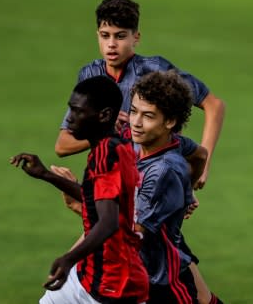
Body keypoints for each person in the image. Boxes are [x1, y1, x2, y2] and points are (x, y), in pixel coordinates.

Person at [54, 0, 226, 191]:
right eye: (105, 35)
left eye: (120, 36)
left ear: (136, 37)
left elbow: (214, 105)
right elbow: (63, 145)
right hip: (113, 182)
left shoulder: (155, 69)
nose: (111, 44)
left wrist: (203, 167)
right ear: (97, 35)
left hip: (155, 180)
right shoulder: (89, 75)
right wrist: (106, 131)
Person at [10, 76, 149, 304]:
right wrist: (46, 174)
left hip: (113, 287)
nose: (70, 118)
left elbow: (109, 221)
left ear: (104, 115)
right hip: (89, 276)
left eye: (78, 111)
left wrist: (68, 259)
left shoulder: (106, 155)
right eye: (70, 109)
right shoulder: (115, 147)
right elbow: (96, 200)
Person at [129, 70, 224, 304]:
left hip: (161, 281)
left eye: (148, 116)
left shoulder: (163, 171)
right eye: (134, 111)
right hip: (154, 266)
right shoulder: (174, 142)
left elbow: (132, 231)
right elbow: (201, 155)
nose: (136, 123)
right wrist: (188, 192)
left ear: (170, 121)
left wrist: (76, 200)